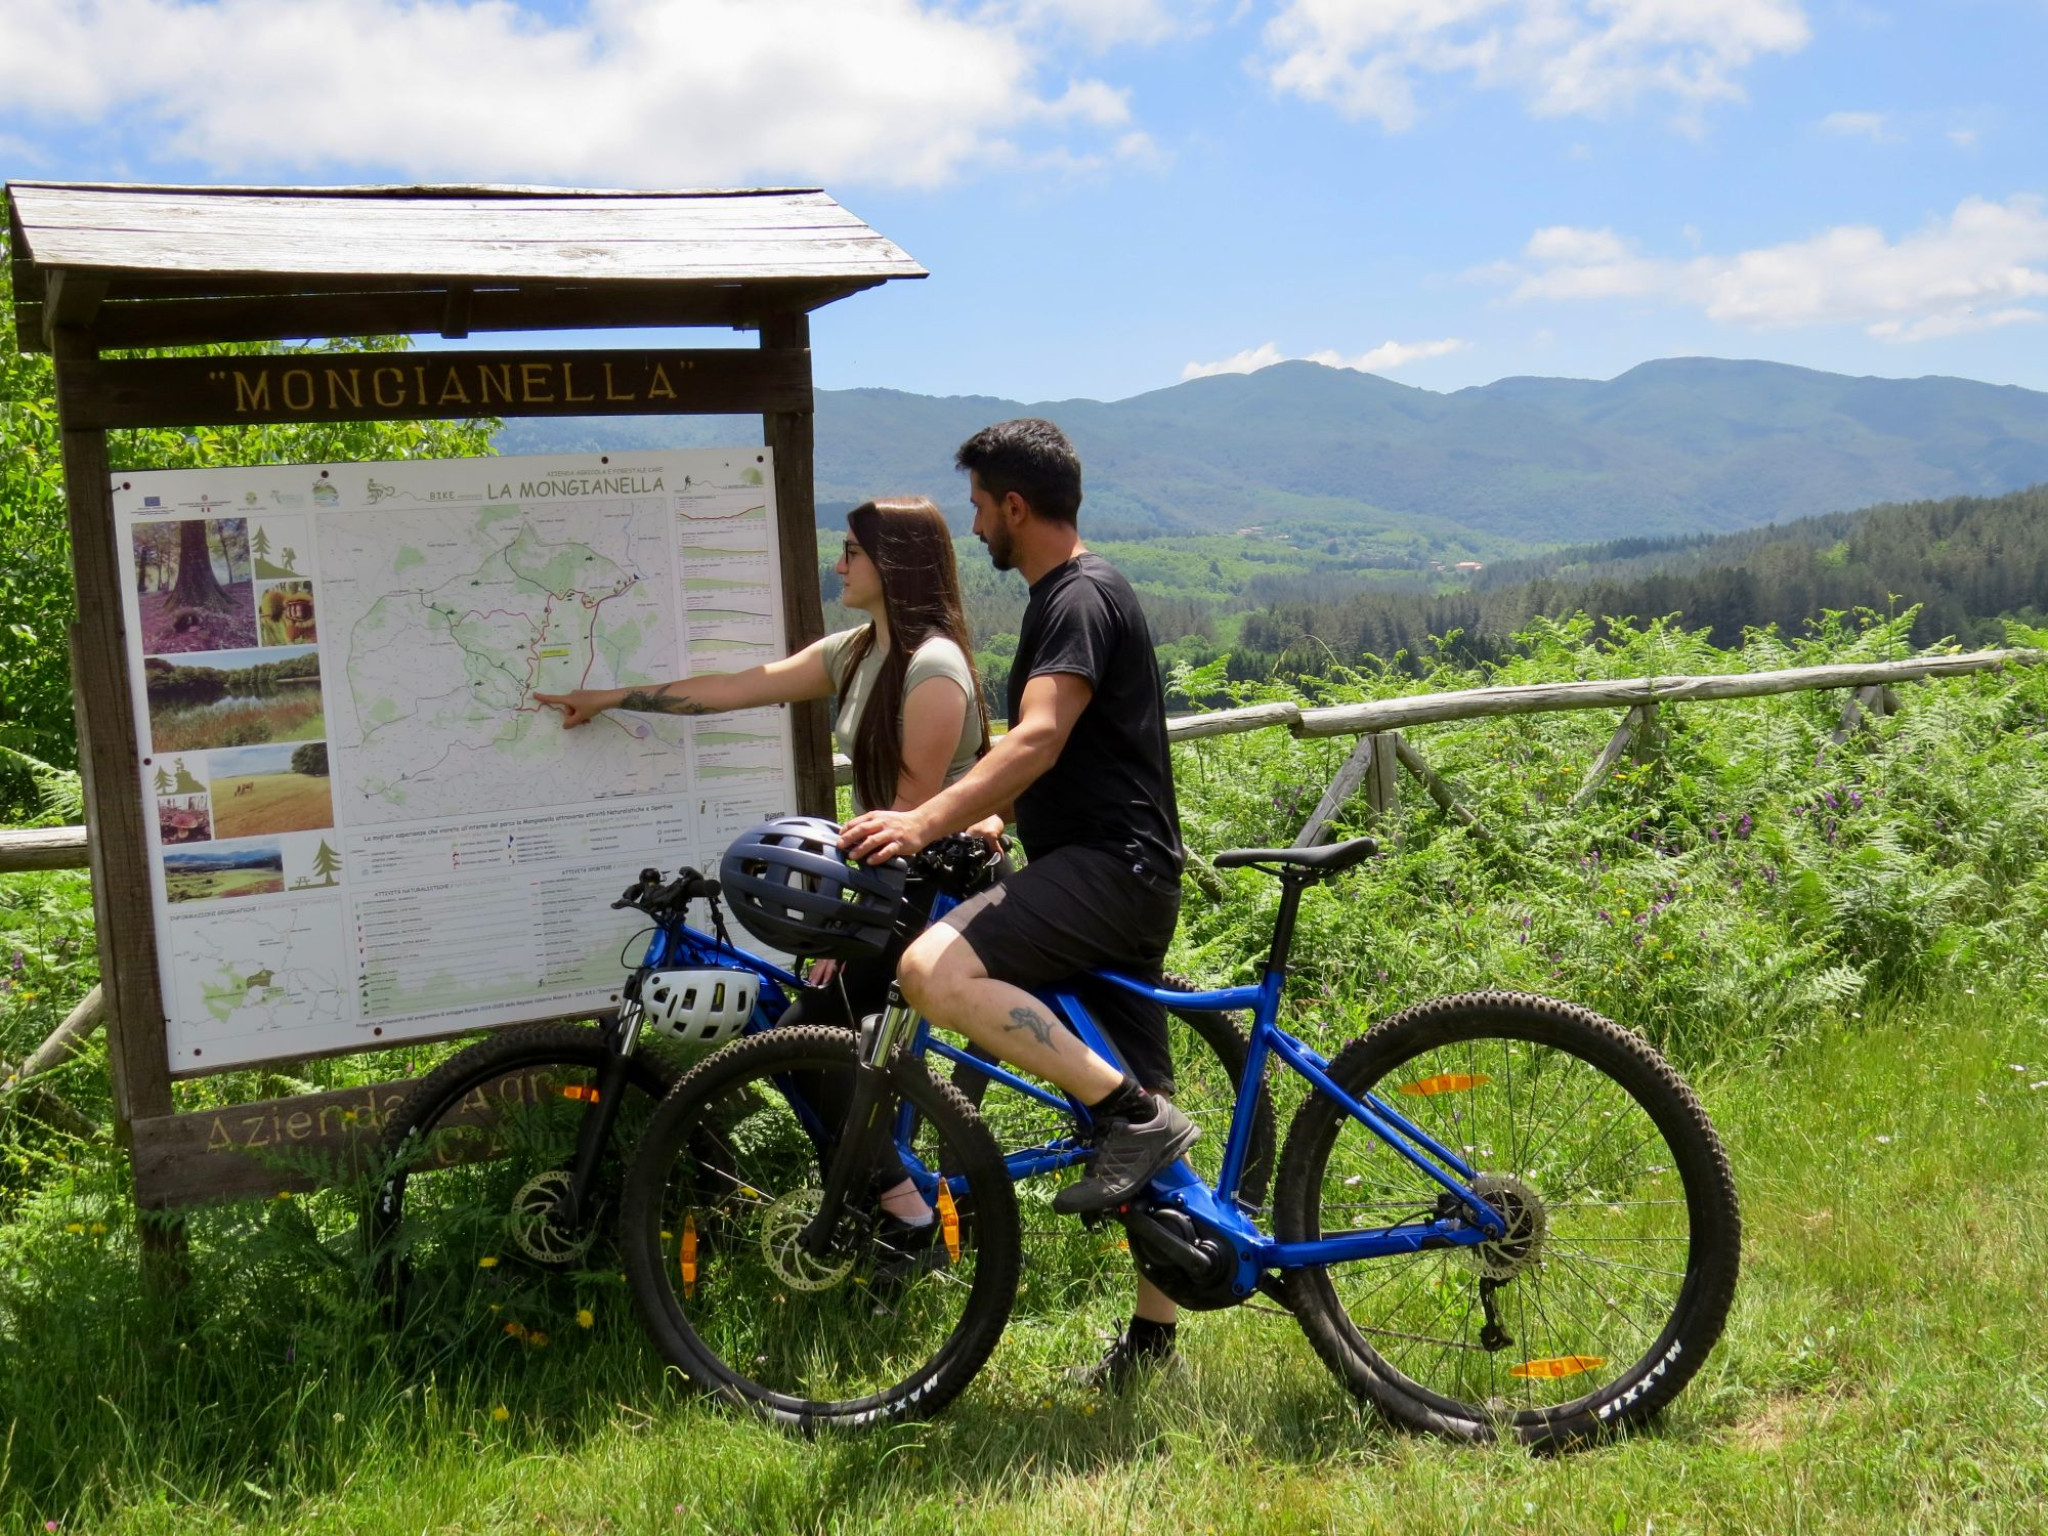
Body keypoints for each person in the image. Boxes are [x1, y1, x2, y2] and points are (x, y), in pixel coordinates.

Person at [839, 418, 1194, 1390]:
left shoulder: (1074, 597)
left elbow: (1037, 737)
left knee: (930, 969)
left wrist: (921, 823)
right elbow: (1057, 761)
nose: (974, 526)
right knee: (1144, 1125)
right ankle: (1153, 1347)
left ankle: (1128, 1114)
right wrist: (993, 825)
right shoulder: (1072, 593)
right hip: (1116, 870)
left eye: (979, 507)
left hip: (1106, 871)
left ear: (1014, 506)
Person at [536, 496, 993, 1232]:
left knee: (805, 1038)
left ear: (894, 565)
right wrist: (612, 698)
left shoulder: (933, 667)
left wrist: (846, 933)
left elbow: (910, 818)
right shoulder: (858, 651)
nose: (837, 564)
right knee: (829, 1043)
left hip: (925, 884)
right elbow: (737, 687)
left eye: (851, 552)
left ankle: (904, 1217)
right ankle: (879, 1197)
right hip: (886, 878)